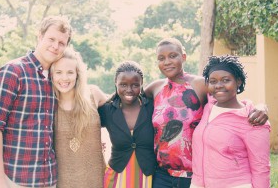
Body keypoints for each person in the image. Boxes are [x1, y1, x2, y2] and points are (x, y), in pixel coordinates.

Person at [144, 38, 269, 188]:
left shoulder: (200, 84)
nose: (167, 62)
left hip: (194, 176)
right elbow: (129, 100)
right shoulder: (155, 88)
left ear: (183, 57)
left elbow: (228, 100)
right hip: (162, 176)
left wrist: (260, 107)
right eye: (161, 58)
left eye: (173, 56)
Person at [0, 16, 72, 188]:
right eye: (51, 39)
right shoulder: (13, 72)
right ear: (39, 36)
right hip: (15, 179)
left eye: (61, 42)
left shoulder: (58, 79)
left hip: (49, 179)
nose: (55, 46)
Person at [191, 55, 270, 188]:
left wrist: (262, 107)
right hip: (198, 184)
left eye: (226, 80)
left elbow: (261, 168)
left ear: (238, 81)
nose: (219, 86)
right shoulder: (208, 106)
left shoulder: (253, 120)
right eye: (213, 81)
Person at [51, 47, 107, 188]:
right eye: (58, 72)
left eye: (70, 72)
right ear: (51, 75)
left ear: (77, 74)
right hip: (63, 181)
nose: (64, 78)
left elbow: (119, 115)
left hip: (96, 179)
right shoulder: (48, 104)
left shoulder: (93, 94)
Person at [98, 61, 157, 188]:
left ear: (141, 85)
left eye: (135, 85)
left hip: (148, 177)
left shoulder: (152, 107)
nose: (129, 90)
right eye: (123, 85)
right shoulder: (107, 110)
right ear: (115, 83)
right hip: (116, 176)